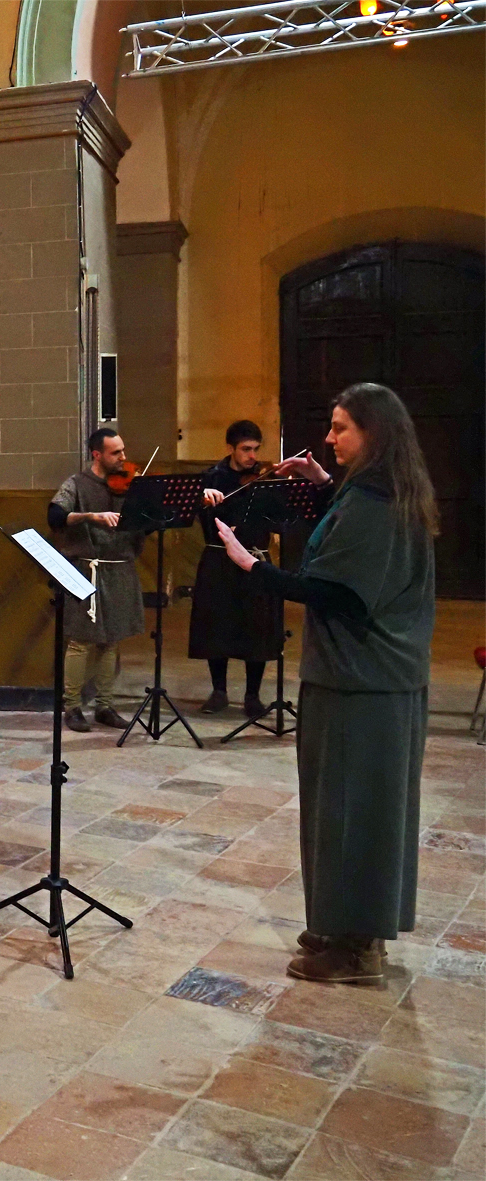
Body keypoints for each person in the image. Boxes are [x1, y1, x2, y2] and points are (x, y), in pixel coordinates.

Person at [216, 383, 436, 985]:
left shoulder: (373, 502)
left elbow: (336, 590)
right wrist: (321, 489)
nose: (330, 437)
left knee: (357, 814)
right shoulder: (374, 491)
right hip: (363, 679)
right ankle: (342, 925)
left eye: (341, 428)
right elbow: (347, 550)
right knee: (342, 810)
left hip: (363, 683)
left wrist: (253, 567)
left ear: (375, 433)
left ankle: (357, 946)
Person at [48, 429, 141, 732]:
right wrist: (89, 516)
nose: (123, 458)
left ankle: (105, 705)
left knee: (111, 640)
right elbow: (55, 516)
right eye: (116, 453)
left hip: (120, 569)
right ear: (97, 455)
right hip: (88, 569)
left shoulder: (131, 487)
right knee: (81, 641)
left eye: (123, 450)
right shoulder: (76, 484)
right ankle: (72, 706)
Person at [190, 420, 280, 717]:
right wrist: (202, 499)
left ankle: (252, 695)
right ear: (230, 448)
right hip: (219, 561)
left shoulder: (265, 478)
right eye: (245, 450)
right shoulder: (212, 478)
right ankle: (219, 691)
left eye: (256, 449)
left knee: (257, 626)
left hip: (255, 558)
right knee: (217, 624)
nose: (252, 456)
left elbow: (279, 514)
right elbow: (193, 511)